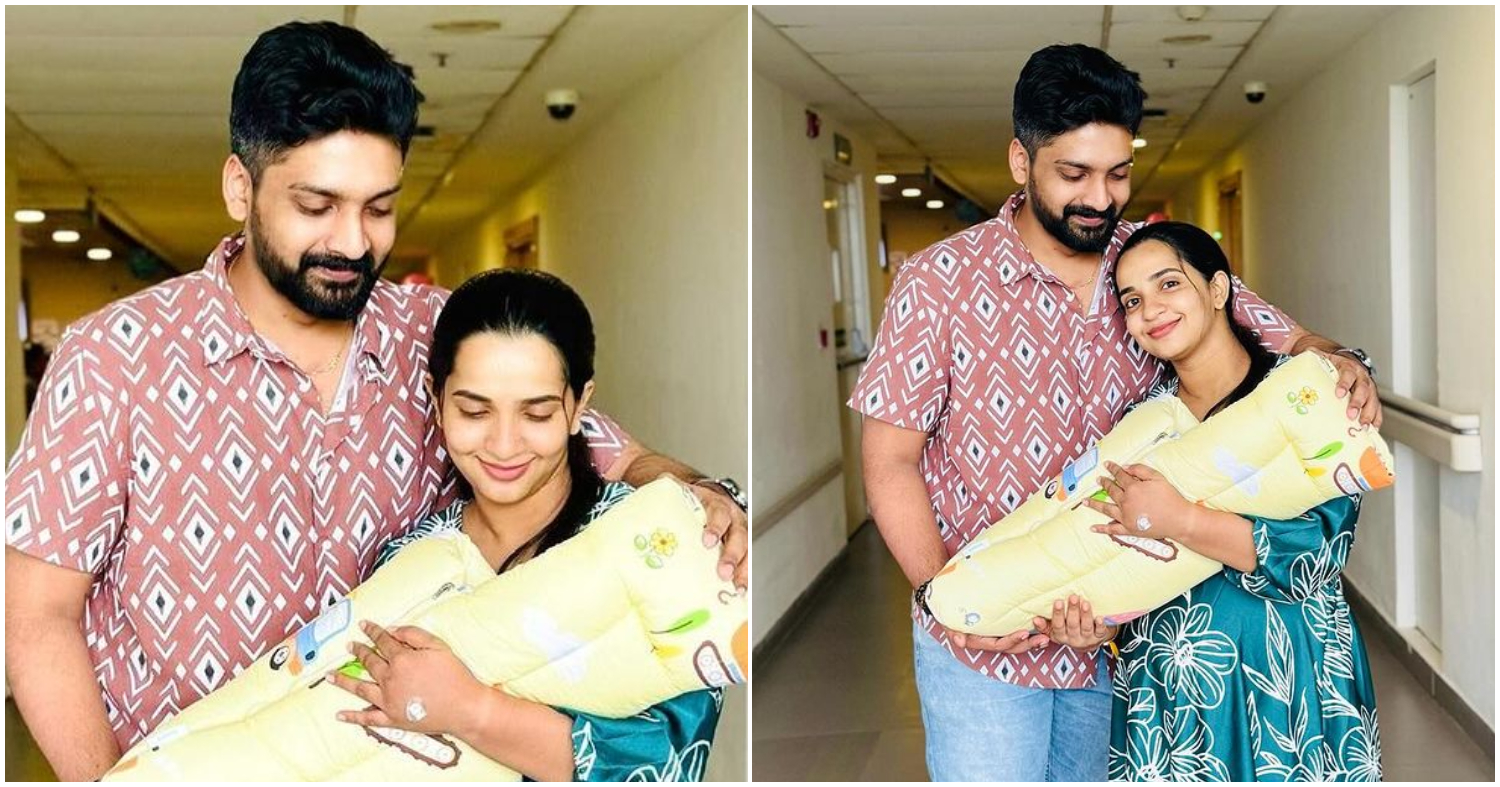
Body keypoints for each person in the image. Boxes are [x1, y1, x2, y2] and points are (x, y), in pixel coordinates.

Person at [3, 21, 746, 782]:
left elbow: (591, 443)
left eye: (379, 206)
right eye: (317, 204)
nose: (353, 242)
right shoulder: (115, 357)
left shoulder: (435, 332)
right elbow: (35, 619)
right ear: (239, 186)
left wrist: (696, 492)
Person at [850, 44, 1381, 781]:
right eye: (1074, 174)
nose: (1101, 197)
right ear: (1020, 160)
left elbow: (1281, 335)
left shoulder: (1152, 263)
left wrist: (1342, 362)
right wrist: (952, 601)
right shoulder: (936, 282)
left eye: (1118, 172)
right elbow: (890, 460)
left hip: (1124, 635)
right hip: (984, 650)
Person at [324, 268, 721, 781]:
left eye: (536, 415)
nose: (504, 444)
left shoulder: (650, 542)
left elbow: (672, 761)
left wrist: (470, 709)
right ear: (437, 400)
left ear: (580, 406)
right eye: (474, 411)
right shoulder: (408, 561)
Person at [1037, 221, 1380, 781]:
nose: (1150, 310)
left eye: (1168, 284)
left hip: (1287, 680)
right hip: (1167, 689)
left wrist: (1182, 519)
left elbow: (1315, 554)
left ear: (1219, 290)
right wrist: (1100, 624)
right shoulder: (1141, 426)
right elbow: (1115, 556)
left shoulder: (1304, 394)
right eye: (1132, 300)